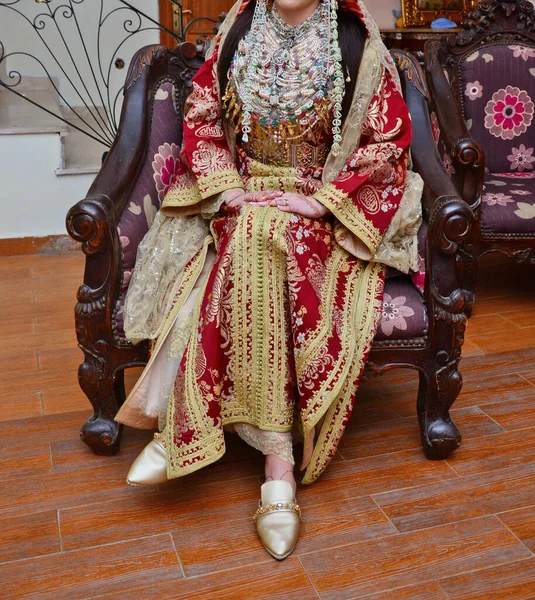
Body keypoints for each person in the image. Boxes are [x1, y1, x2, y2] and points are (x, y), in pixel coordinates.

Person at [115, 0, 422, 561]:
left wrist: (320, 203)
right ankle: (276, 476)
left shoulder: (354, 40)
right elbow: (203, 119)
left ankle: (183, 427)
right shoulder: (238, 30)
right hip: (244, 198)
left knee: (262, 234)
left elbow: (385, 145)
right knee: (255, 227)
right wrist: (227, 186)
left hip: (319, 211)